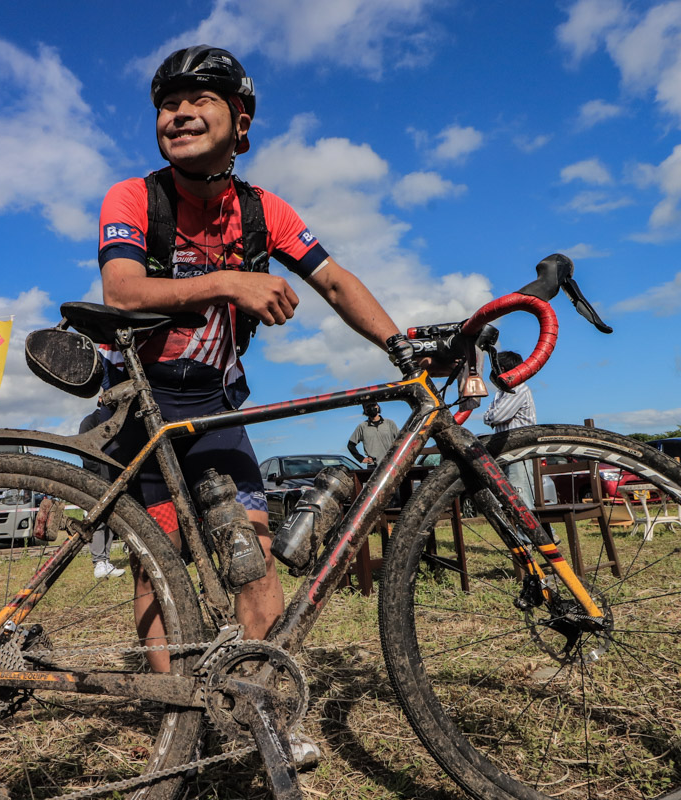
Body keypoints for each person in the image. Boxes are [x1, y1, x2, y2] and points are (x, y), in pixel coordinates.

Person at [98, 44, 408, 767]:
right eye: (166, 104)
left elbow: (332, 281)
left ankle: (264, 708)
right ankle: (182, 725)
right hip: (144, 407)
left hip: (213, 402)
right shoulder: (134, 198)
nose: (177, 112)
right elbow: (122, 292)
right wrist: (233, 281)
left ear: (241, 122)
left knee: (253, 557)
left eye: (198, 99)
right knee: (160, 567)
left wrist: (401, 346)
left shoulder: (264, 211)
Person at [482, 351, 537, 505]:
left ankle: (541, 530)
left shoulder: (518, 389)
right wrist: (491, 416)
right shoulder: (502, 392)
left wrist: (491, 416)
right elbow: (489, 416)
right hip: (506, 451)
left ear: (503, 368)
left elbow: (496, 416)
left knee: (522, 499)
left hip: (519, 452)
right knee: (509, 499)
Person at [79, 405, 125, 579]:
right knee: (98, 521)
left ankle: (105, 561)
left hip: (113, 478)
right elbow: (85, 451)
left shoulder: (116, 423)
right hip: (96, 479)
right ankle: (99, 562)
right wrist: (98, 474)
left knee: (110, 520)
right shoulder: (90, 421)